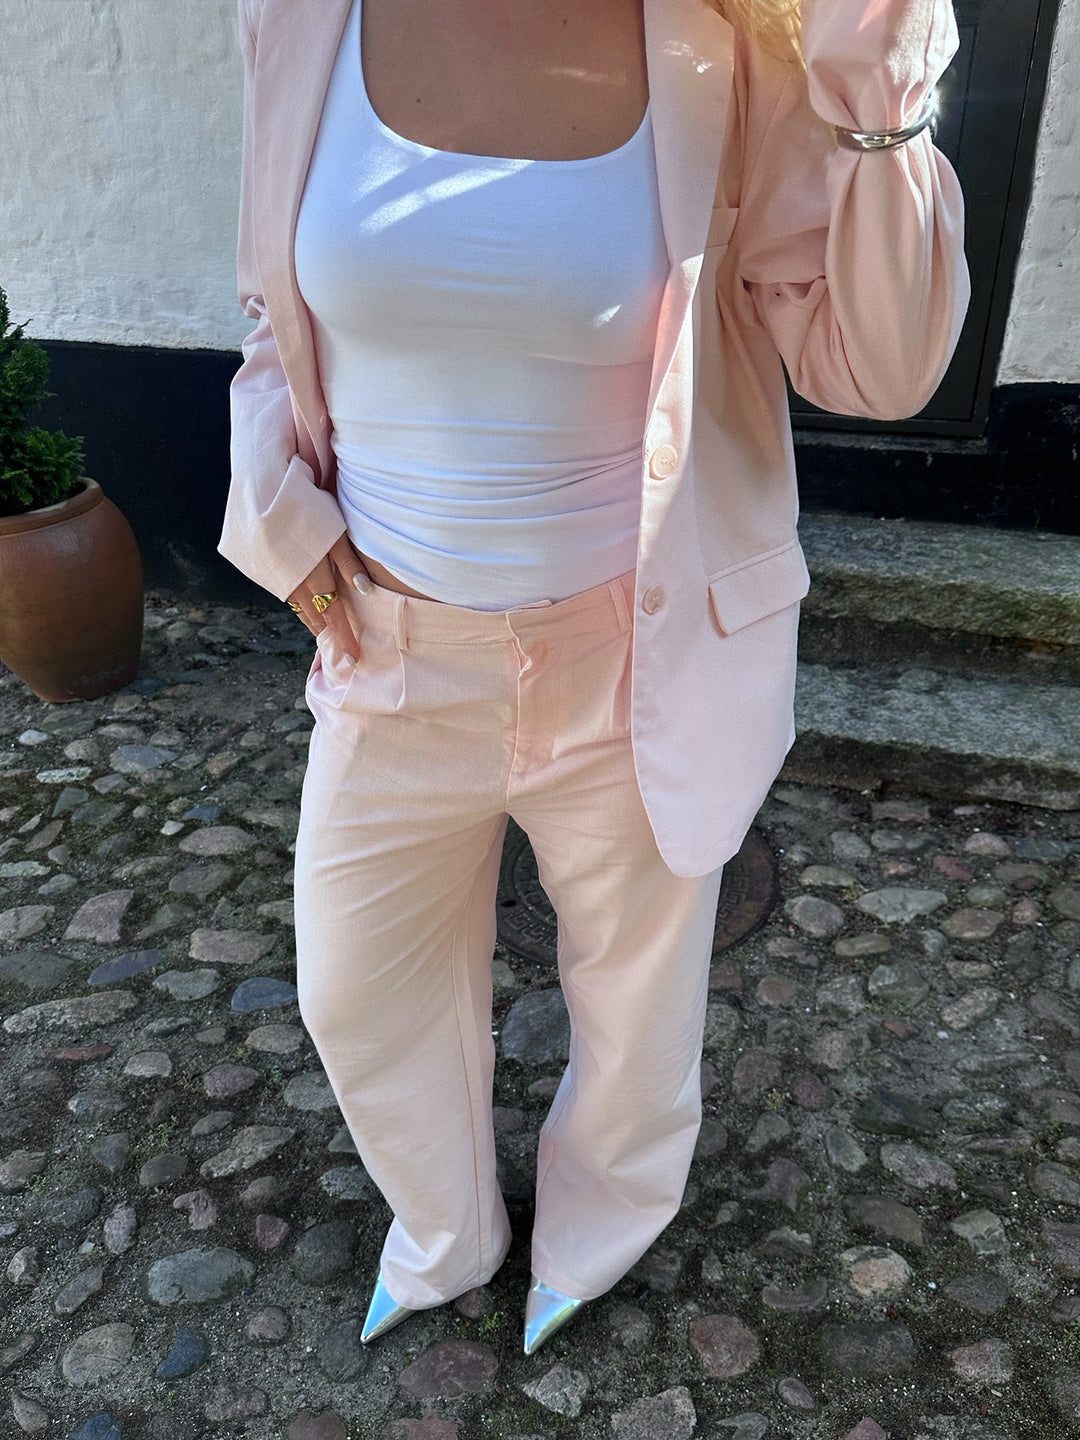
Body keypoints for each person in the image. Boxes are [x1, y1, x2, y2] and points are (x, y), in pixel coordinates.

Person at [218, 0, 969, 1355]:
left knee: (636, 999)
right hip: (389, 653)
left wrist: (882, 73)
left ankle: (600, 1230)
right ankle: (447, 1233)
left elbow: (882, 368)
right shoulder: (297, 17)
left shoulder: (728, 46)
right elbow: (277, 309)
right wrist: (275, 504)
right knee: (353, 990)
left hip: (632, 654)